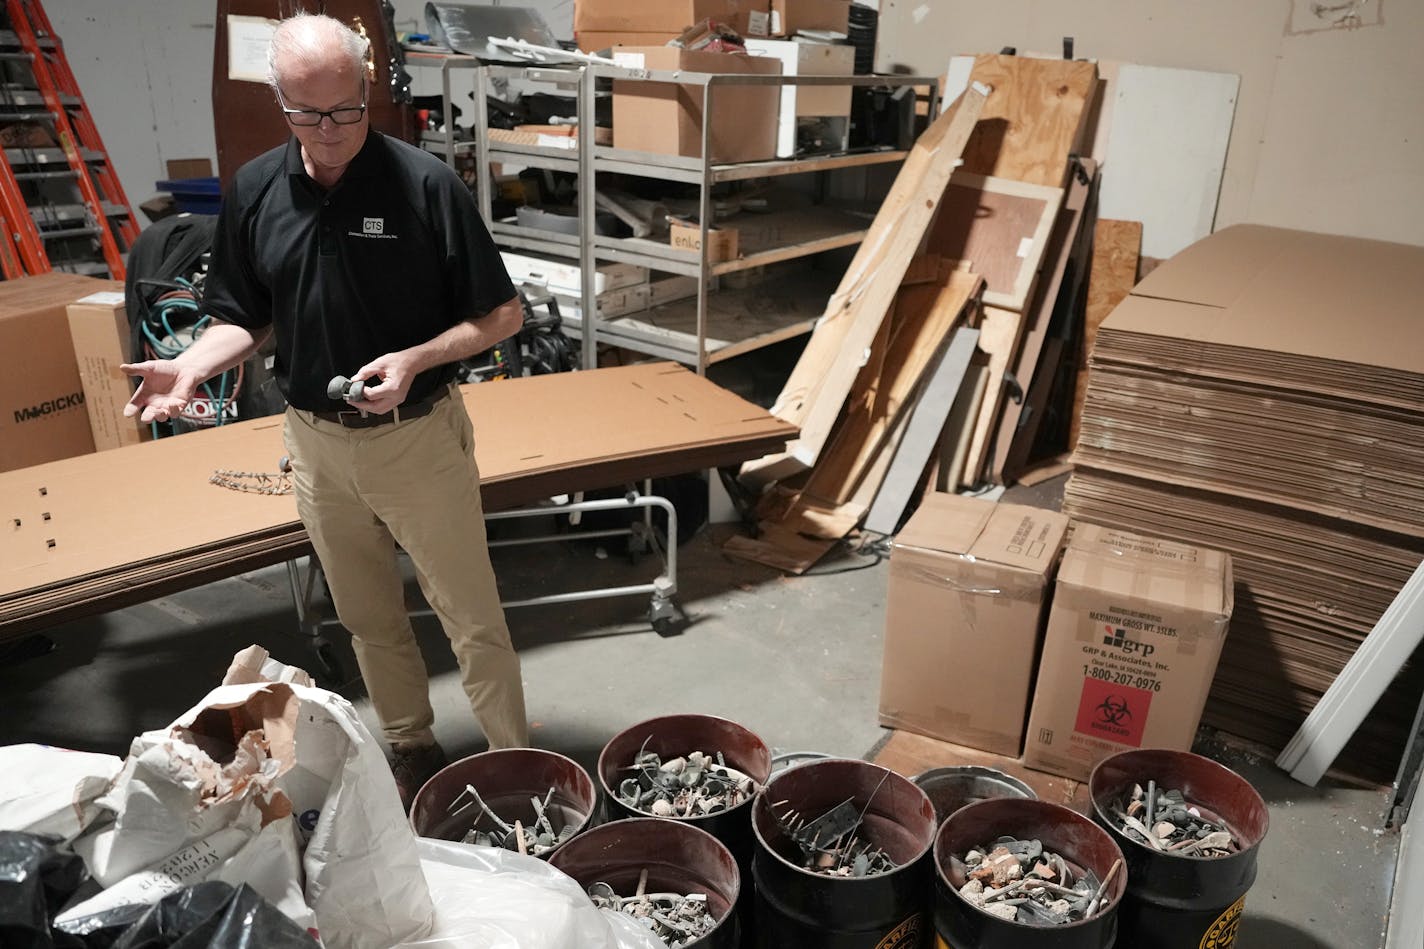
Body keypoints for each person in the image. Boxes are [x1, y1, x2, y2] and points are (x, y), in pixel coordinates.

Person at [120, 13, 529, 807]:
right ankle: (410, 742)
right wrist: (189, 365)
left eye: (346, 110)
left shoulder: (422, 185)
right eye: (306, 113)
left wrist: (416, 359)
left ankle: (515, 761)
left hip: (416, 440)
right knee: (368, 616)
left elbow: (501, 315)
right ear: (280, 101)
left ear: (368, 93)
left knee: (470, 618)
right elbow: (248, 312)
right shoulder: (255, 190)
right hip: (313, 443)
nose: (329, 131)